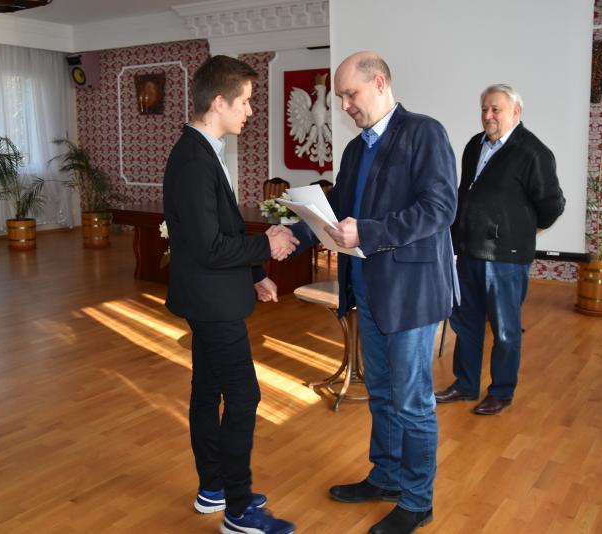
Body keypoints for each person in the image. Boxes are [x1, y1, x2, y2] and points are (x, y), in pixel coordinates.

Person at [290, 51, 457, 534]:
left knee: (412, 402)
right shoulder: (355, 149)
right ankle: (385, 477)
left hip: (410, 295)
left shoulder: (424, 132)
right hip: (368, 289)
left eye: (350, 94)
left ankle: (417, 501)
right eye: (341, 97)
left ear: (379, 83)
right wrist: (293, 231)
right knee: (381, 393)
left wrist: (368, 231)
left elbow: (440, 208)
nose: (344, 105)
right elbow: (337, 207)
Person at [163, 55, 298, 534]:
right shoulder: (193, 160)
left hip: (212, 295)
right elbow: (210, 247)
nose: (250, 111)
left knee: (208, 391)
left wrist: (255, 273)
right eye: (245, 101)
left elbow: (224, 229)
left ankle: (214, 488)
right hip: (212, 303)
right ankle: (239, 512)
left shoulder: (202, 150)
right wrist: (268, 245)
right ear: (218, 102)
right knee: (244, 396)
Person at [435, 84, 566, 415]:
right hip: (469, 253)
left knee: (505, 330)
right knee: (466, 325)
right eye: (484, 109)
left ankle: (501, 392)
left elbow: (552, 204)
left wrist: (524, 229)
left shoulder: (533, 152)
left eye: (496, 109)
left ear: (516, 113)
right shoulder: (474, 145)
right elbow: (465, 193)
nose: (488, 115)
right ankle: (465, 385)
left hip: (506, 260)